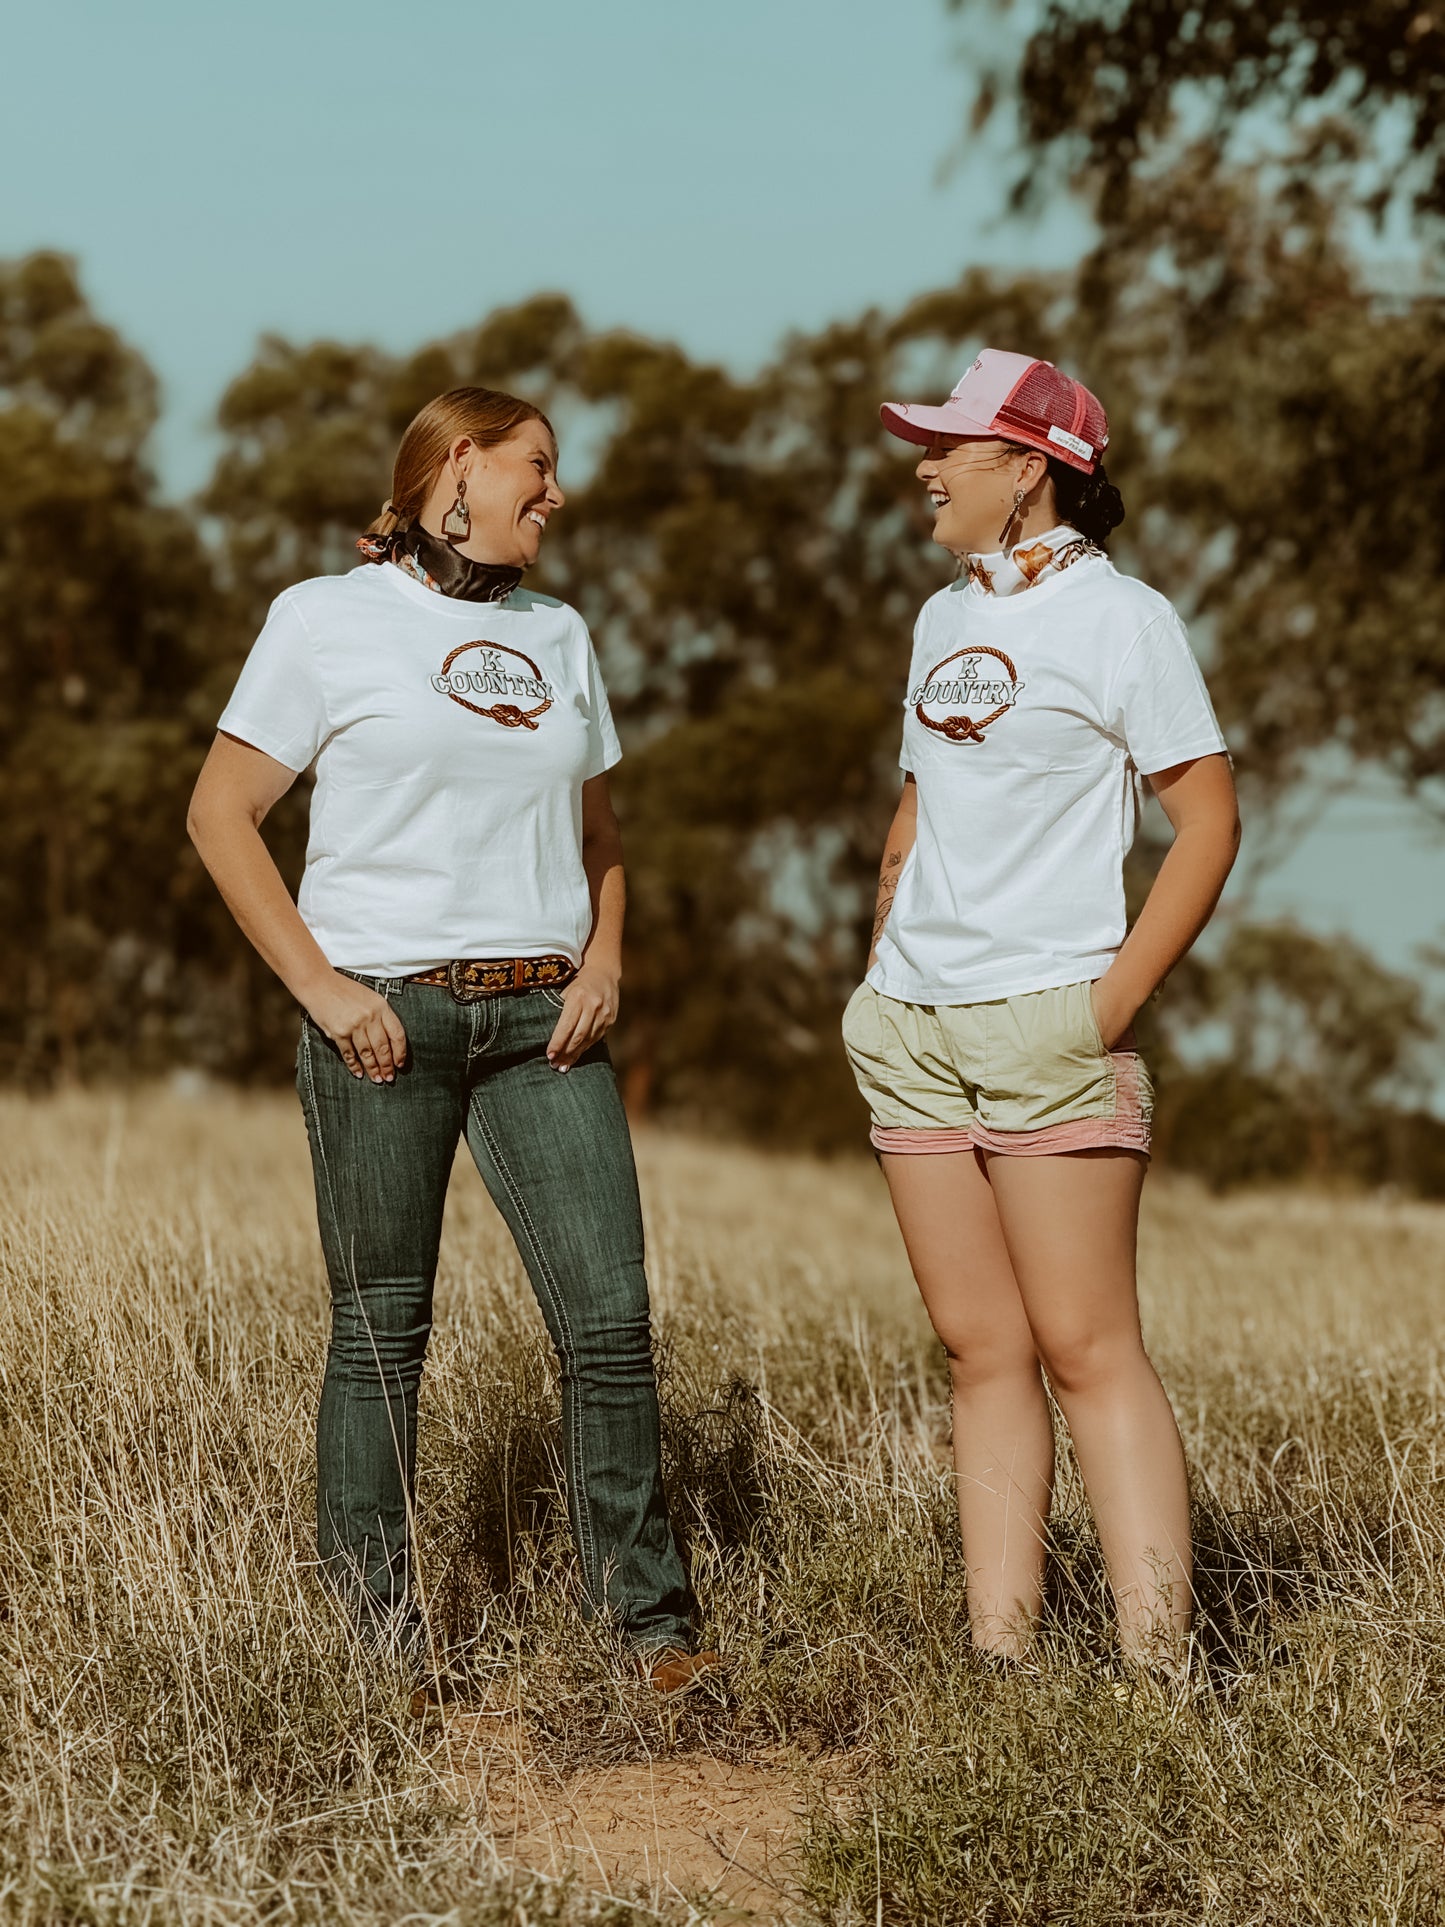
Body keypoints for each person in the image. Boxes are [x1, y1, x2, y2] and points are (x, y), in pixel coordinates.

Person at [187, 385, 715, 1695]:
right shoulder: (323, 619)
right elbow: (218, 814)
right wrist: (323, 990)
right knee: (382, 1327)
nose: (557, 491)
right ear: (458, 467)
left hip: (544, 1020)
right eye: (537, 465)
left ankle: (649, 1638)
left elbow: (600, 835)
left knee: (607, 1322)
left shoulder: (562, 632)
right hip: (385, 1015)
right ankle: (379, 1646)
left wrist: (608, 956)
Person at [844, 351, 1240, 1670]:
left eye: (950, 447)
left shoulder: (1123, 622)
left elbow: (1205, 821)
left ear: (1030, 467)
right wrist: (879, 961)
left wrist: (1104, 1002)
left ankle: (1154, 1677)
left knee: (1086, 1349)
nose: (924, 466)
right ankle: (1000, 1663)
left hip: (1046, 1023)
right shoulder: (939, 618)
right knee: (978, 1352)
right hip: (913, 1026)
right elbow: (918, 806)